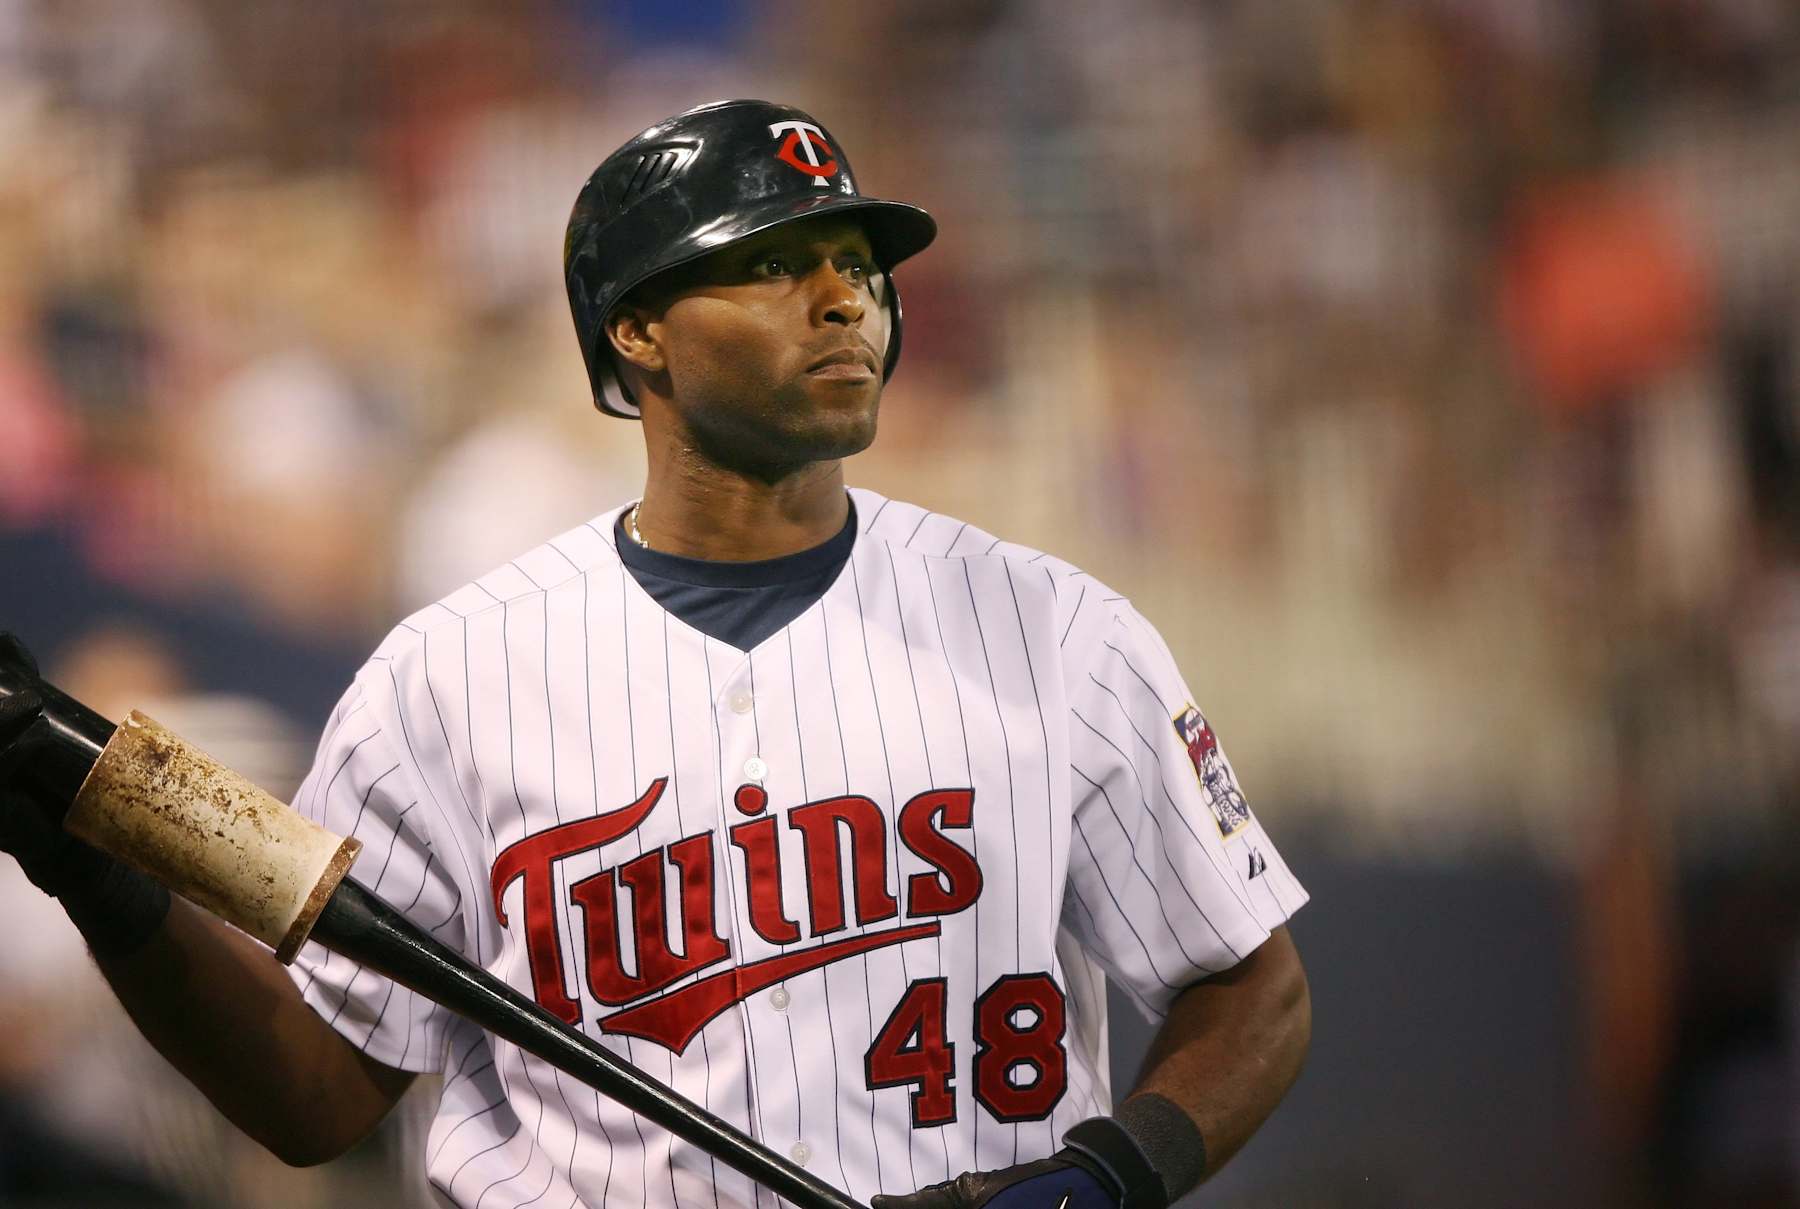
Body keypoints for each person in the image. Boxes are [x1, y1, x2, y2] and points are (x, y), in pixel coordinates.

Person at [0, 100, 1311, 1209]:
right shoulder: (447, 680)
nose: (843, 297)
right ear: (639, 329)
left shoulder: (1058, 630)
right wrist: (100, 877)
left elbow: (1255, 987)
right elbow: (318, 1089)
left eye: (858, 260)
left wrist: (1101, 1178)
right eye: (774, 264)